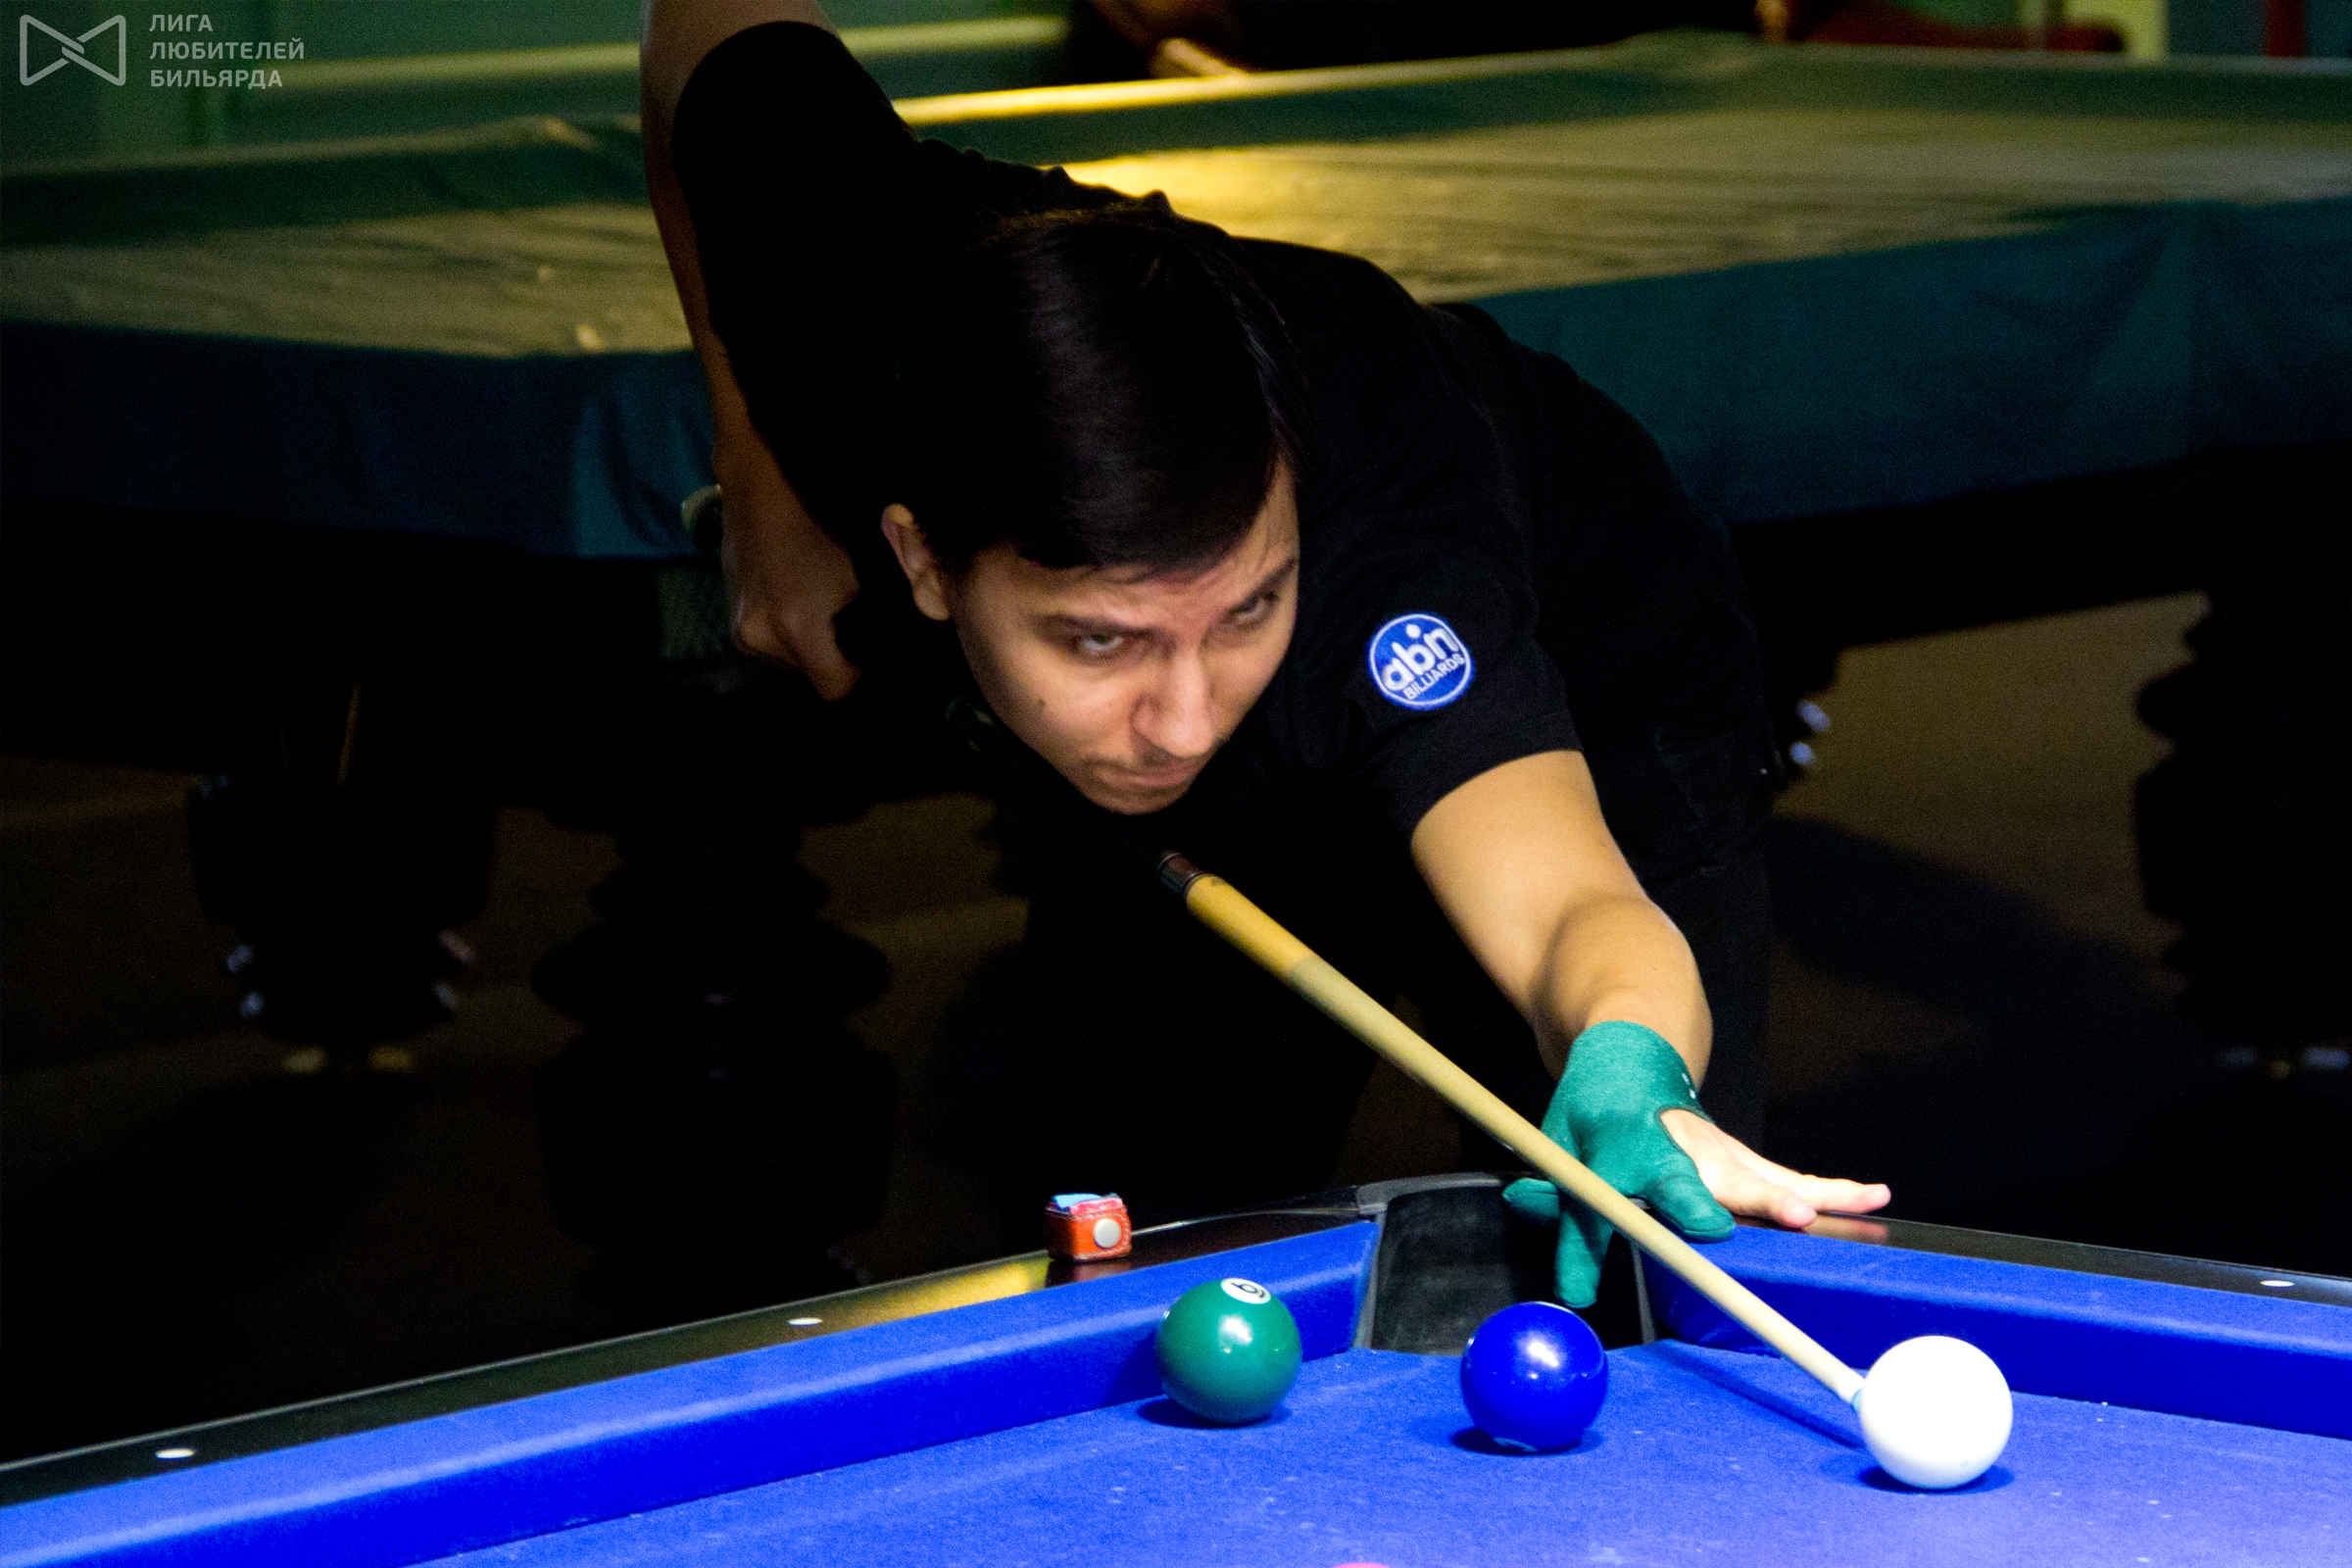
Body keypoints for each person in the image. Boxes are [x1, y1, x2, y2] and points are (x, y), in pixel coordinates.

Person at [641, 0, 1888, 1305]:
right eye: (1100, 639)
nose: (1184, 720)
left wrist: (1636, 1069)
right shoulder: (838, 268)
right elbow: (695, 33)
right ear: (924, 561)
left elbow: (1571, 900)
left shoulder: (1386, 570)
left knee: (1630, 1259)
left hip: (1600, 679)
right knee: (1129, 1253)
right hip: (1241, 769)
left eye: (1246, 606)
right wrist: (759, 462)